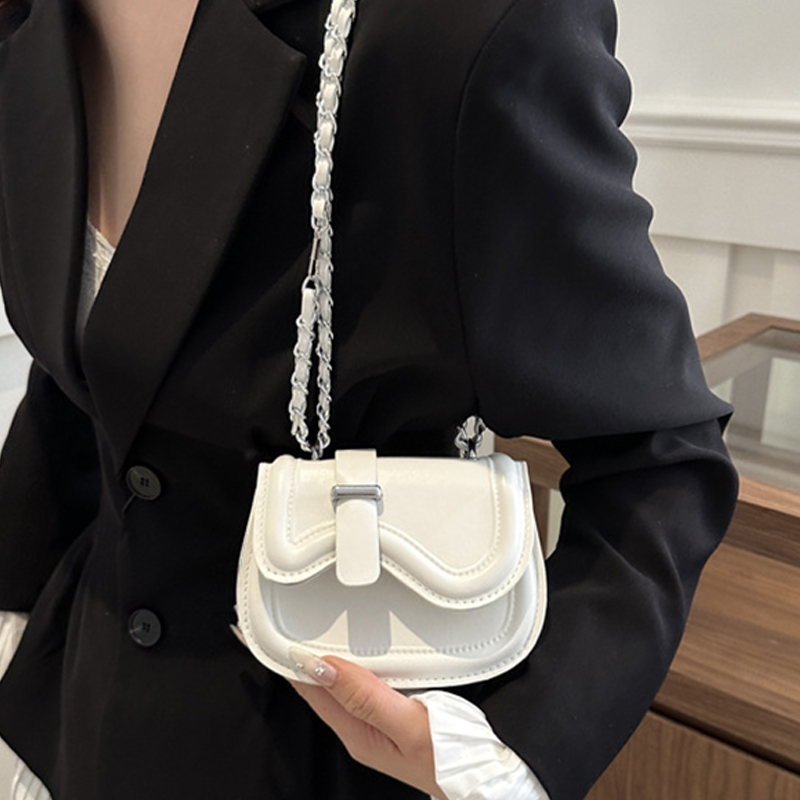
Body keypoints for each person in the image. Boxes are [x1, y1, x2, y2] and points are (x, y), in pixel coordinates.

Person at [0, 0, 739, 798]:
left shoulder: (465, 28)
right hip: (81, 718)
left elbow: (660, 457)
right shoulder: (32, 27)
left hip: (333, 750)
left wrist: (508, 749)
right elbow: (96, 371)